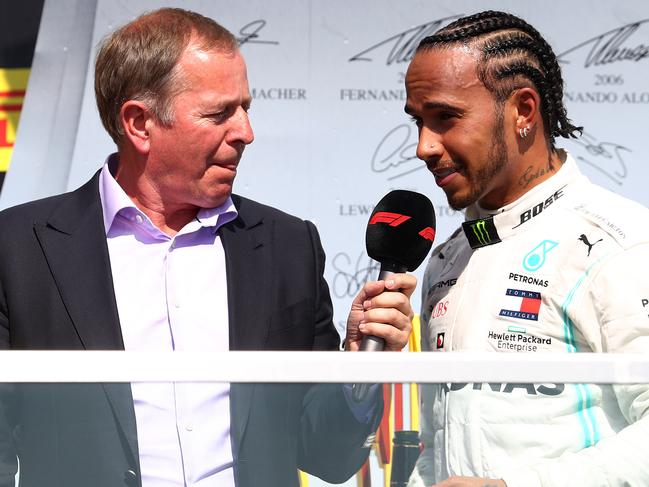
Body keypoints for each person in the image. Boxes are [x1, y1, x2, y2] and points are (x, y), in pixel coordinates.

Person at [0, 8, 416, 487]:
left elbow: (327, 453)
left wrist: (358, 364)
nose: (245, 132)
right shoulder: (20, 249)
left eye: (246, 108)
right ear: (139, 123)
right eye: (220, 113)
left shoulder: (287, 246)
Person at [403, 10, 649, 487]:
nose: (424, 147)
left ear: (523, 111)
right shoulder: (448, 256)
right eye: (418, 122)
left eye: (445, 118)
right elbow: (439, 444)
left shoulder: (620, 243)